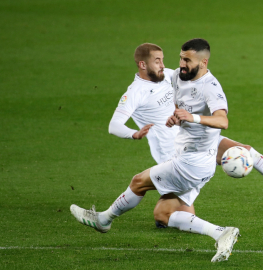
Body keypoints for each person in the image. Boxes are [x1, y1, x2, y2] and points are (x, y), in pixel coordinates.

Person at [71, 39, 237, 262]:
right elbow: (117, 124)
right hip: (201, 161)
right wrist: (177, 119)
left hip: (191, 162)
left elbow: (222, 121)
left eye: (185, 59)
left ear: (203, 62)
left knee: (138, 182)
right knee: (165, 214)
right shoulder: (166, 82)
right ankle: (220, 232)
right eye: (177, 58)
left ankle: (104, 220)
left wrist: (190, 117)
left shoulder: (207, 85)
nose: (176, 64)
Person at [107, 43, 263, 208]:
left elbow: (182, 96)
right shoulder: (135, 92)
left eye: (163, 60)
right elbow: (114, 125)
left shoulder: (169, 76)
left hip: (196, 138)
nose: (163, 64)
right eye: (157, 61)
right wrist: (134, 134)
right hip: (174, 152)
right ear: (143, 65)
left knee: (246, 152)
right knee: (165, 214)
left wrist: (182, 114)